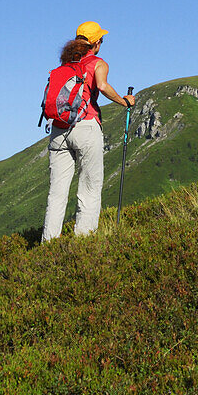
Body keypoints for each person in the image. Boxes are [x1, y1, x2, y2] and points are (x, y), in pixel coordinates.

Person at [41, 21, 135, 241]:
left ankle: (49, 245)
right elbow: (101, 86)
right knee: (89, 187)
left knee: (56, 193)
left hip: (58, 128)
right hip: (86, 126)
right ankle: (84, 242)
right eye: (101, 40)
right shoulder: (97, 63)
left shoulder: (65, 63)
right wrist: (124, 101)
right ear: (96, 43)